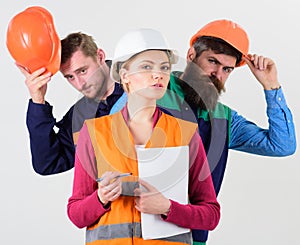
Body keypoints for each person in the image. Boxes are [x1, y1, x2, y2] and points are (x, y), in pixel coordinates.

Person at [110, 19, 296, 245]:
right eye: (212, 61)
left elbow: (282, 145)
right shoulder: (152, 90)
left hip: (193, 236)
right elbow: (112, 142)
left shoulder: (224, 119)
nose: (217, 73)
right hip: (137, 235)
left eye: (226, 69)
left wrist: (271, 85)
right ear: (191, 56)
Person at [67, 28, 220, 245]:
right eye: (146, 67)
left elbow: (211, 215)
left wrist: (167, 208)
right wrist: (100, 198)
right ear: (125, 75)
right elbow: (76, 214)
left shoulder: (186, 133)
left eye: (164, 67)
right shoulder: (93, 132)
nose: (158, 74)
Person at [17, 32, 124, 175]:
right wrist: (38, 101)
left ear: (100, 56)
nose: (80, 84)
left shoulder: (142, 84)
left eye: (83, 71)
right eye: (70, 77)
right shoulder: (80, 116)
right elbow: (48, 163)